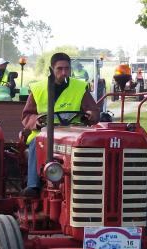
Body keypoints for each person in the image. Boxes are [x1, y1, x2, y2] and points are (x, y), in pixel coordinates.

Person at [21, 52, 100, 198]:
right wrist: (37, 121)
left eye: (67, 69)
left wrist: (91, 115)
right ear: (51, 69)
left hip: (73, 132)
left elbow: (93, 110)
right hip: (44, 132)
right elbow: (27, 116)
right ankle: (33, 185)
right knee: (35, 144)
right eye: (59, 69)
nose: (63, 72)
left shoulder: (80, 87)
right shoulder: (38, 89)